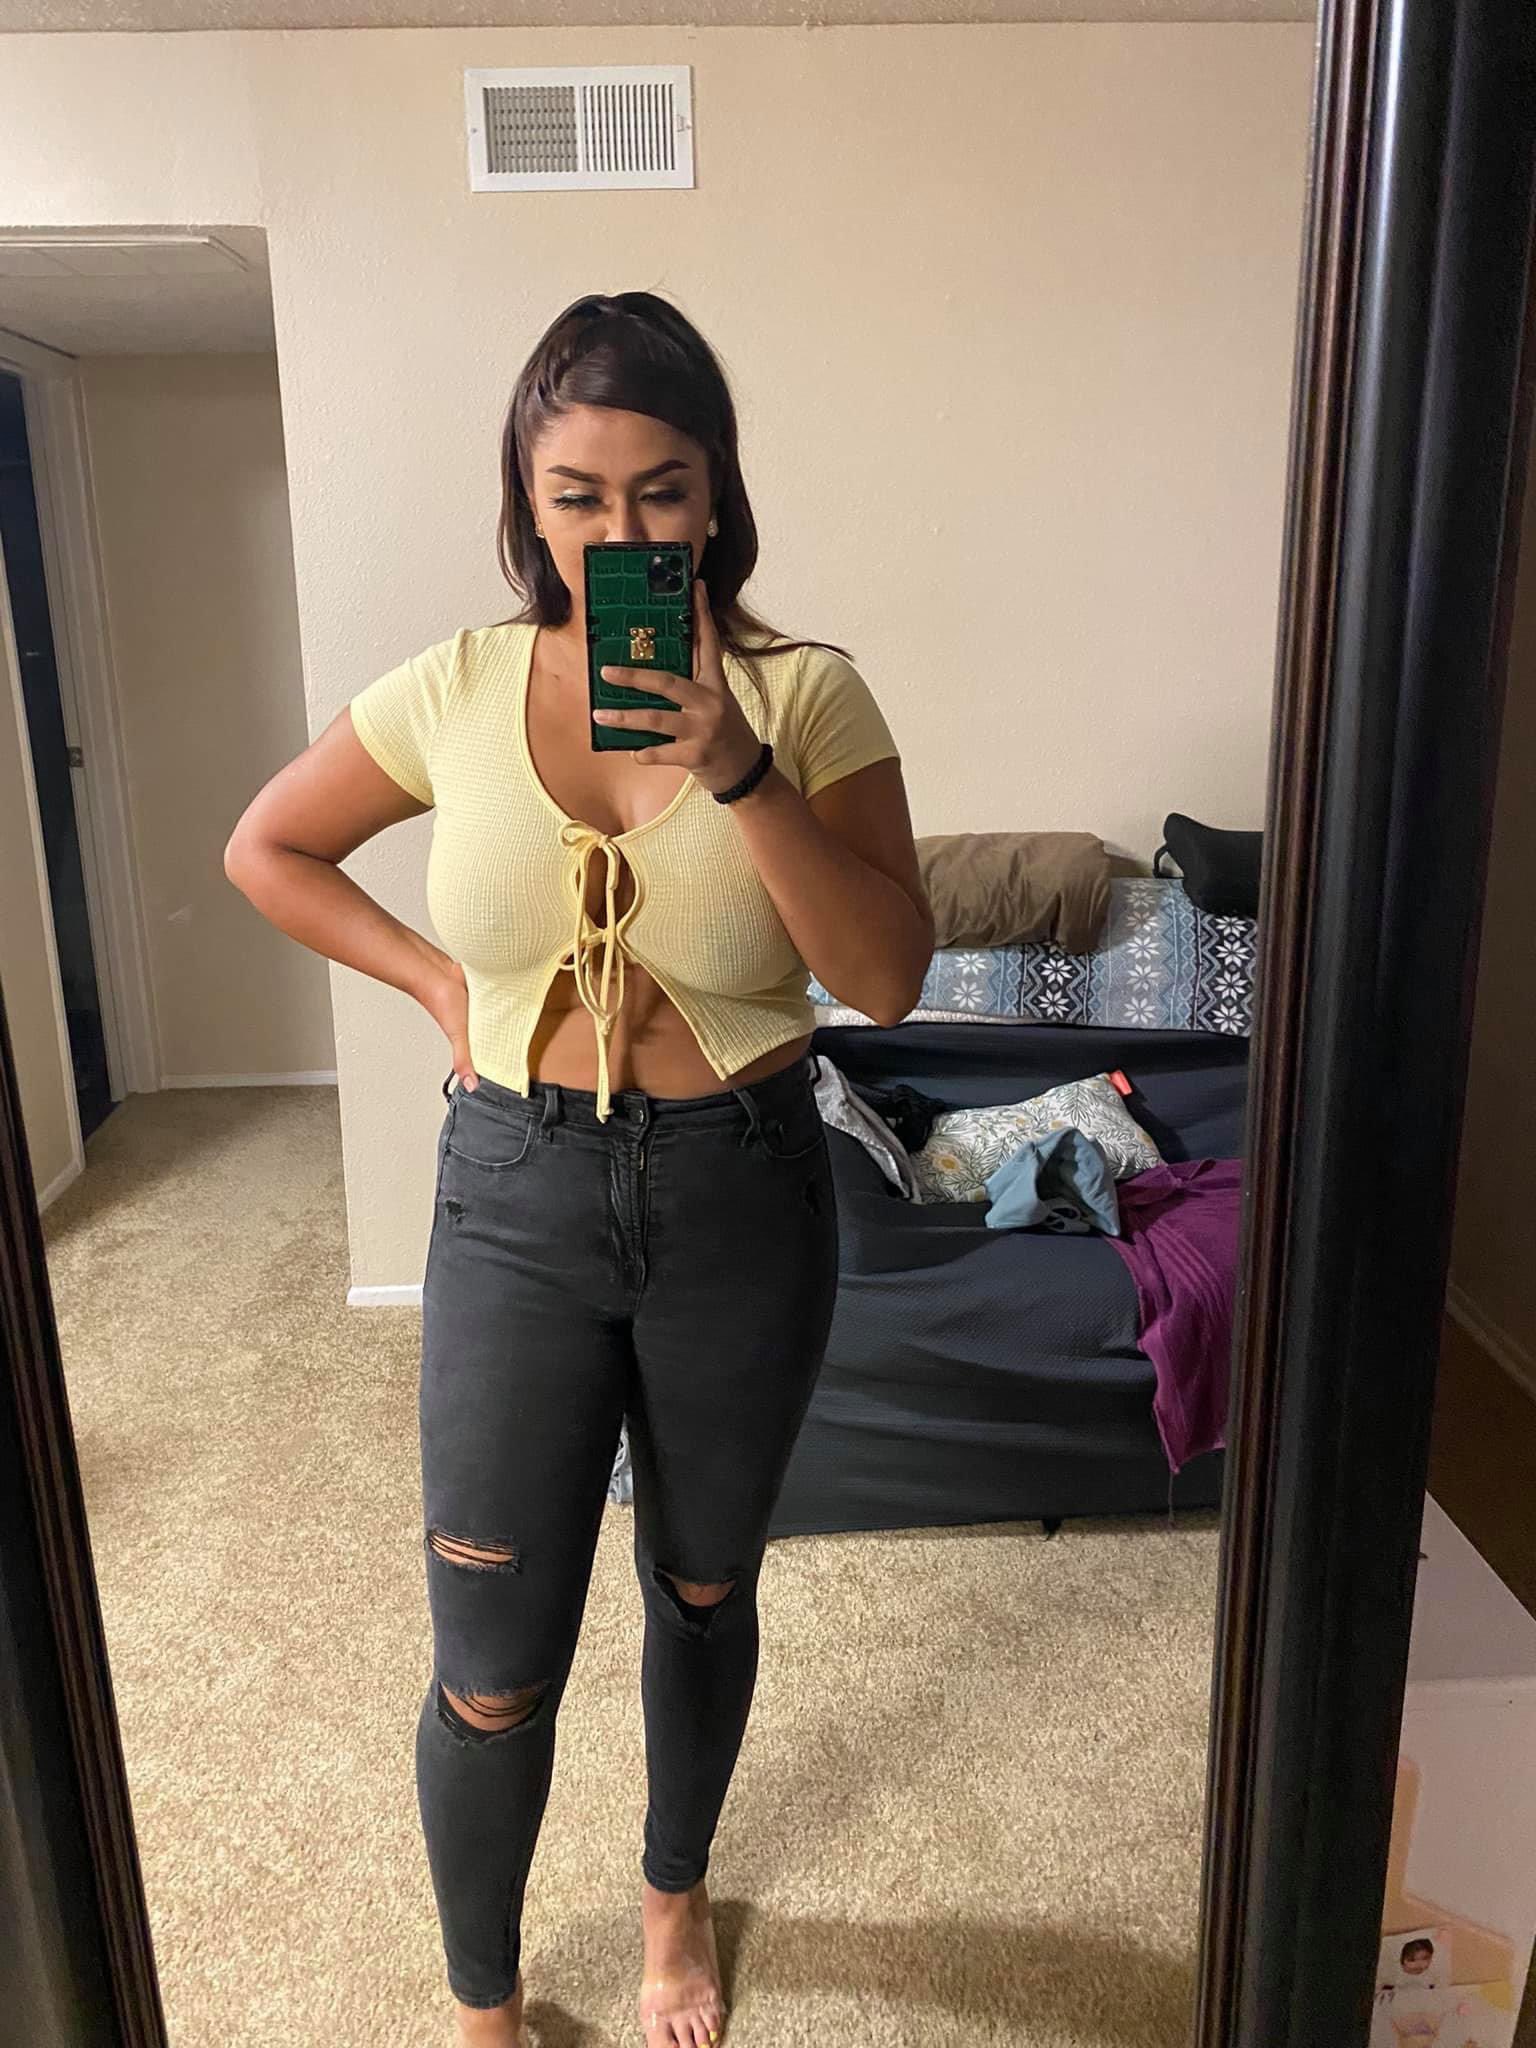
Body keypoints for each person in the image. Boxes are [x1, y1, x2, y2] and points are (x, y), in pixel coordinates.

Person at [224, 289, 933, 2048]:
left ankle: (674, 1903)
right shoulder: (456, 689)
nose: (621, 533)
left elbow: (887, 977)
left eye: (661, 490)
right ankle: (486, 2004)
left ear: (717, 493)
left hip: (741, 1188)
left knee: (702, 1586)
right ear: (527, 505)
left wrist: (741, 771)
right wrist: (436, 989)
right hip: (516, 1199)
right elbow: (268, 846)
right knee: (488, 1662)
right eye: (580, 496)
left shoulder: (807, 696)